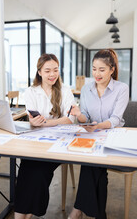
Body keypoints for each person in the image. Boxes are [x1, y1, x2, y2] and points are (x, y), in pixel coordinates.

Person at [68, 49, 129, 219]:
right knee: (97, 168)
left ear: (112, 69)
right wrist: (79, 115)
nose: (97, 73)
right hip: (92, 135)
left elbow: (116, 119)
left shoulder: (121, 88)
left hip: (114, 136)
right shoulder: (87, 89)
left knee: (92, 163)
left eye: (102, 70)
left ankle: (78, 209)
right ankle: (99, 215)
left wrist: (98, 126)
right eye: (94, 69)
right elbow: (85, 115)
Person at [14, 53, 76, 219]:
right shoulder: (31, 91)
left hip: (59, 144)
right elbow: (32, 118)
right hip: (36, 142)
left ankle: (31, 213)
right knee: (26, 169)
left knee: (40, 171)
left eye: (55, 70)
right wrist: (35, 122)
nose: (52, 74)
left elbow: (70, 119)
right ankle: (21, 215)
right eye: (47, 70)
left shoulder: (64, 90)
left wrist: (46, 123)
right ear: (39, 72)